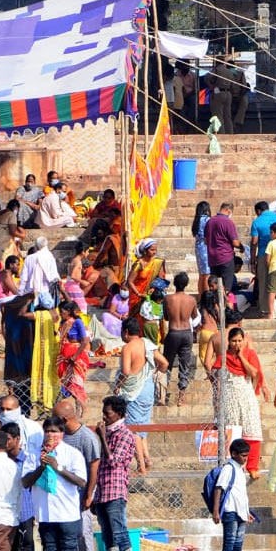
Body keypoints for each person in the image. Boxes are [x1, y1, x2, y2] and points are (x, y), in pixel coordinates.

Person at [22, 416, 87, 551]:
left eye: (55, 431)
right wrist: (41, 467)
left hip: (67, 513)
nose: (50, 435)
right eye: (47, 431)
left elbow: (81, 481)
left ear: (62, 434)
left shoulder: (72, 454)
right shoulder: (34, 454)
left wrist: (58, 468)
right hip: (45, 514)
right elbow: (25, 482)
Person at [88, 395, 137, 551]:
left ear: (119, 414)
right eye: (104, 414)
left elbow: (114, 461)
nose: (104, 418)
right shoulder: (106, 434)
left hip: (115, 492)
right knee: (108, 537)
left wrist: (102, 439)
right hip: (102, 492)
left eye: (107, 414)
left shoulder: (124, 434)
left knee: (121, 534)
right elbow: (99, 466)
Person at [51, 400, 101, 551]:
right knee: (68, 536)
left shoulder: (86, 437)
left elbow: (94, 466)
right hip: (64, 496)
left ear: (64, 418)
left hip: (81, 494)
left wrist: (89, 494)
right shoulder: (61, 437)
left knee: (83, 533)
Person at [212, 326, 267, 479]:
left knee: (252, 429)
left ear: (244, 341)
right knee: (231, 430)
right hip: (229, 398)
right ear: (228, 342)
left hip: (246, 396)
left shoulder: (250, 354)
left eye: (240, 341)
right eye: (234, 341)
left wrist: (242, 356)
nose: (237, 344)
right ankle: (232, 465)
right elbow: (216, 378)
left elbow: (254, 373)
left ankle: (252, 466)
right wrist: (217, 401)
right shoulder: (223, 358)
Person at [114, 318, 167, 475]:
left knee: (133, 430)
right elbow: (164, 363)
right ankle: (147, 459)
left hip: (134, 391)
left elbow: (125, 372)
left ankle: (141, 466)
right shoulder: (147, 344)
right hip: (148, 388)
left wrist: (118, 385)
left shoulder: (128, 348)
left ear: (126, 332)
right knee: (142, 426)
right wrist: (151, 372)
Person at [0, 421, 39, 551]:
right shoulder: (0, 461)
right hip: (7, 511)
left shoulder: (28, 459)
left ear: (17, 439)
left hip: (25, 510)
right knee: (10, 549)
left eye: (8, 439)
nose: (6, 443)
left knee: (27, 547)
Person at [212, 438, 255, 551]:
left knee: (238, 546)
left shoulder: (240, 470)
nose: (246, 458)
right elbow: (218, 489)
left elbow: (241, 494)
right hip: (230, 512)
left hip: (241, 513)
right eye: (243, 455)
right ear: (234, 454)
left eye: (247, 455)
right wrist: (216, 511)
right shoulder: (228, 469)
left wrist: (247, 511)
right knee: (229, 545)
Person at [160, 272, 197, 407]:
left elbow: (165, 317)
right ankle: (181, 398)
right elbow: (194, 316)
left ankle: (162, 396)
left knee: (166, 364)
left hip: (173, 332)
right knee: (184, 365)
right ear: (186, 284)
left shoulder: (168, 299)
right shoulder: (191, 300)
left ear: (174, 283)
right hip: (186, 333)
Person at [249, 201, 276, 319]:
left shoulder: (257, 221)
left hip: (264, 254)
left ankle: (266, 310)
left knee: (264, 283)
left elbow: (254, 242)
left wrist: (252, 260)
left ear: (258, 211)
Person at [205, 203, 243, 294]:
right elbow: (235, 242)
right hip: (225, 258)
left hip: (212, 258)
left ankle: (215, 305)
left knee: (214, 284)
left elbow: (206, 240)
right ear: (229, 211)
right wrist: (242, 247)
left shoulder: (210, 221)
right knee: (226, 287)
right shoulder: (228, 222)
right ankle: (225, 306)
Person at [192, 200, 212, 294]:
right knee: (207, 275)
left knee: (201, 275)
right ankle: (206, 297)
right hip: (205, 248)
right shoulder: (207, 220)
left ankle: (200, 296)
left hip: (199, 247)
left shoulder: (196, 220)